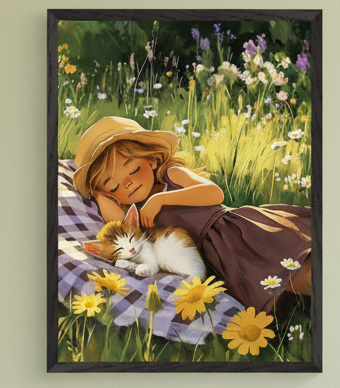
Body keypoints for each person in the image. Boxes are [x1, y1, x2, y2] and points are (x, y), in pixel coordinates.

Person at [72, 116, 311, 314]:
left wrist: (161, 199)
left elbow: (214, 193)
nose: (128, 184)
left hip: (237, 231)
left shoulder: (172, 177)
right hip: (218, 257)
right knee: (278, 285)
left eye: (133, 170)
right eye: (114, 186)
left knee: (297, 265)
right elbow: (115, 224)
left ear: (152, 160)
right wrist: (98, 192)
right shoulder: (136, 217)